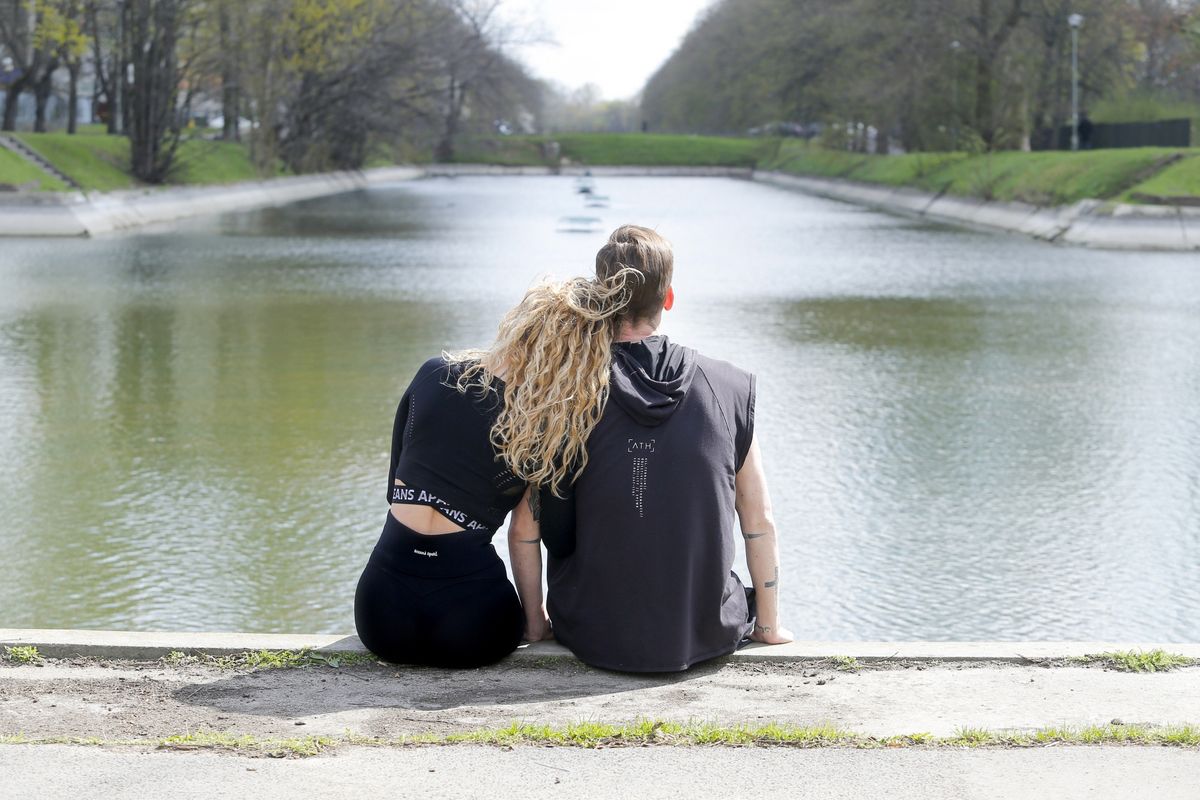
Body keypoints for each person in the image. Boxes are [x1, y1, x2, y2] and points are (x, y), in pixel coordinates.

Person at [509, 225, 793, 673]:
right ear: (669, 298)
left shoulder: (565, 393)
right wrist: (769, 627)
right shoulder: (731, 387)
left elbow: (525, 529)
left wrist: (536, 625)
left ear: (600, 299)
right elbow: (759, 521)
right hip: (703, 631)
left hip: (591, 630)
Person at [353, 267, 639, 667]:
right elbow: (524, 533)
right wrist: (536, 624)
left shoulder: (432, 374)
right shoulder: (542, 427)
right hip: (471, 624)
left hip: (379, 615)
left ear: (520, 322)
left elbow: (396, 487)